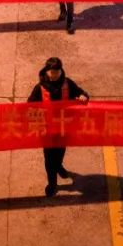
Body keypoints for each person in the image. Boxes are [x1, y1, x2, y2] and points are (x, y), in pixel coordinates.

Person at [27, 57, 89, 196]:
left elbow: (82, 94)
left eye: (57, 72)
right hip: (47, 130)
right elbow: (29, 105)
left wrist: (84, 97)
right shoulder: (40, 88)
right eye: (52, 72)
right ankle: (52, 183)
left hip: (63, 128)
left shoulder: (68, 84)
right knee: (49, 158)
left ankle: (59, 166)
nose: (54, 75)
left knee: (60, 152)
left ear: (61, 70)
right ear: (47, 71)